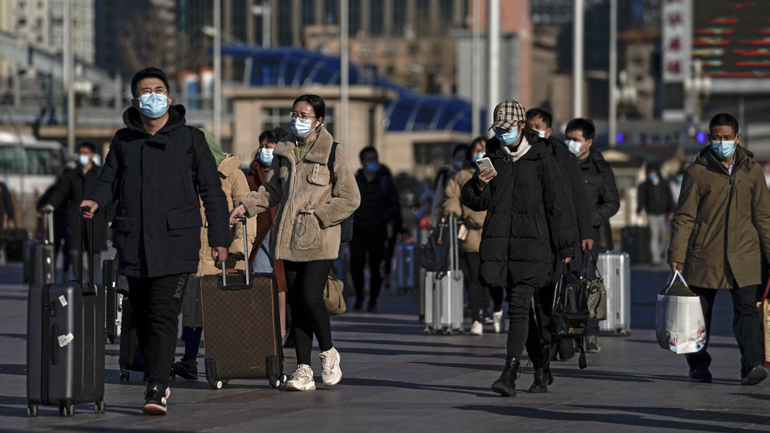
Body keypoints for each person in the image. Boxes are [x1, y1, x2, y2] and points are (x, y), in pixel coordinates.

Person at [81, 67, 230, 415]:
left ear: (170, 97)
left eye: (159, 89)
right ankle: (154, 373)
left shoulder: (191, 139)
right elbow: (108, 181)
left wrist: (220, 238)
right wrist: (95, 200)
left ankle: (157, 386)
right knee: (144, 316)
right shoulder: (123, 140)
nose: (153, 96)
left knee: (164, 314)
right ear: (135, 100)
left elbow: (212, 192)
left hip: (177, 241)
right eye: (145, 91)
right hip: (133, 242)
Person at [229, 94, 360, 392]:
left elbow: (351, 197)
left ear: (318, 121)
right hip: (287, 238)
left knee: (311, 296)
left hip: (319, 238)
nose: (297, 119)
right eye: (294, 113)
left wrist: (321, 217)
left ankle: (328, 352)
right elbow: (271, 191)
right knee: (298, 302)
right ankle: (303, 369)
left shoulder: (332, 152)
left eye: (304, 115)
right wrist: (245, 206)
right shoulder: (284, 150)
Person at [462, 99, 577, 397]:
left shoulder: (542, 158)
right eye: (498, 129)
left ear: (521, 126)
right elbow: (476, 202)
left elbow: (558, 204)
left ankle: (510, 373)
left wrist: (567, 247)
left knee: (518, 307)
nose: (502, 134)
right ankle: (541, 367)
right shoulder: (494, 157)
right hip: (502, 245)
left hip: (535, 246)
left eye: (507, 129)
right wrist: (480, 184)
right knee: (520, 308)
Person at [668, 113, 770, 386]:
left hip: (745, 254)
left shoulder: (752, 171)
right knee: (698, 316)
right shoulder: (696, 171)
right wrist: (677, 254)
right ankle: (698, 365)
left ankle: (752, 364)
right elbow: (685, 217)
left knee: (748, 310)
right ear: (709, 137)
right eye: (716, 137)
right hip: (704, 254)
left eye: (726, 137)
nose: (721, 142)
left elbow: (763, 217)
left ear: (737, 138)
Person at [172, 130, 256, 380]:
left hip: (223, 256)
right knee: (192, 312)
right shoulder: (181, 173)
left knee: (222, 314)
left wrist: (240, 248)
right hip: (191, 254)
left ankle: (224, 361)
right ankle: (188, 360)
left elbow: (247, 214)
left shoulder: (232, 174)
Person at [526, 108, 593, 366]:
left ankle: (562, 336)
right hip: (535, 237)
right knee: (540, 294)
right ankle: (547, 344)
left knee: (562, 288)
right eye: (528, 126)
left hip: (563, 236)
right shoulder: (521, 155)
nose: (532, 131)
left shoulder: (564, 157)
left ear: (549, 130)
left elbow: (578, 197)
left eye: (537, 126)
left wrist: (585, 232)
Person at [565, 118, 620, 353]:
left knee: (588, 283)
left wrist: (591, 220)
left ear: (588, 142)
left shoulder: (600, 169)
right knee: (566, 283)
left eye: (575, 139)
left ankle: (591, 333)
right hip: (562, 233)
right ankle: (568, 331)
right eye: (567, 138)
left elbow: (612, 203)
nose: (570, 143)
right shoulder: (560, 164)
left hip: (589, 236)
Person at [443, 136, 504, 335]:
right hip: (470, 233)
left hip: (494, 232)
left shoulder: (501, 172)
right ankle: (476, 319)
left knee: (494, 279)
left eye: (483, 148)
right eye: (476, 149)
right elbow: (451, 197)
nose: (480, 152)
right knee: (474, 279)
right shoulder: (462, 175)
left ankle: (496, 309)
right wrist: (453, 212)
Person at [246, 128, 290, 343]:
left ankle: (282, 328)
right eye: (262, 145)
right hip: (260, 235)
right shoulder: (252, 175)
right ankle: (267, 328)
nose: (264, 149)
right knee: (264, 279)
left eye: (269, 145)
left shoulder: (288, 169)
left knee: (282, 282)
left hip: (284, 233)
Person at [43, 142, 107, 281]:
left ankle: (93, 283)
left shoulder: (100, 174)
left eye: (86, 153)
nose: (82, 156)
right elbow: (60, 191)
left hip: (95, 219)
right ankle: (80, 282)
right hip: (75, 220)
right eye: (81, 153)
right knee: (74, 252)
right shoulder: (71, 175)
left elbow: (108, 193)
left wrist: (109, 214)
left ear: (92, 155)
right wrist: (51, 204)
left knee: (94, 254)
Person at [350, 147, 401, 311]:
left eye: (374, 158)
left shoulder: (385, 181)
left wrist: (388, 220)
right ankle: (359, 297)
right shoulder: (354, 181)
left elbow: (395, 205)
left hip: (378, 231)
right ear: (362, 161)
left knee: (376, 267)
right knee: (356, 265)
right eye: (368, 159)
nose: (371, 162)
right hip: (357, 231)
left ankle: (372, 300)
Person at [637, 165, 675, 266]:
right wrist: (639, 209)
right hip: (651, 214)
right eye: (650, 173)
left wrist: (671, 210)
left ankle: (660, 252)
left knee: (663, 237)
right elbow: (641, 198)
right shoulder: (645, 185)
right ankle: (655, 259)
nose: (651, 175)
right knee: (654, 236)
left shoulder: (664, 184)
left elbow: (670, 197)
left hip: (663, 214)